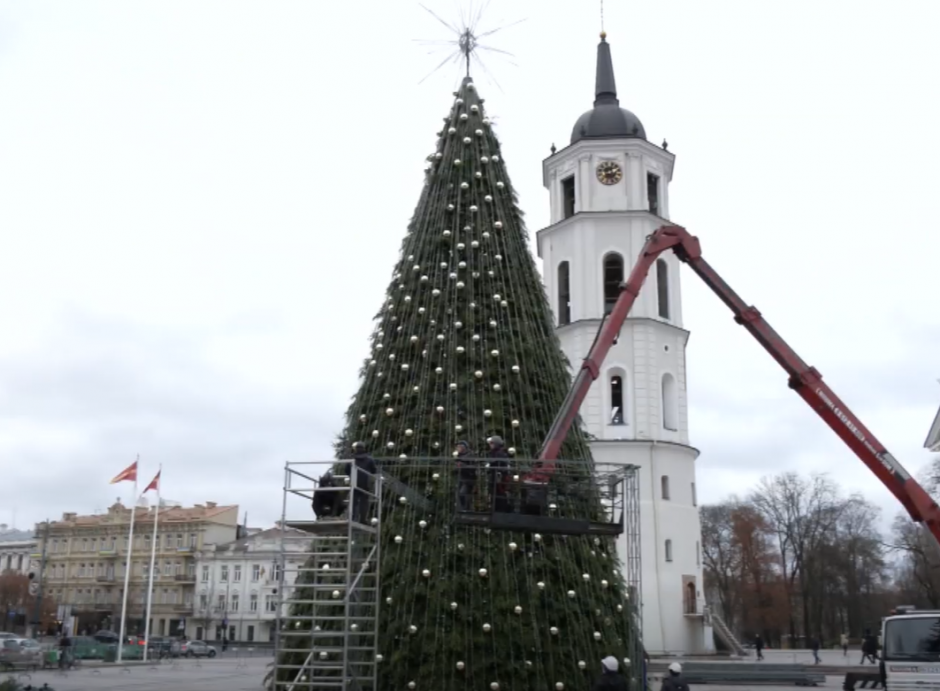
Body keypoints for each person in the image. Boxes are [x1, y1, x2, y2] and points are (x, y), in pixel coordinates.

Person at [344, 441, 377, 524]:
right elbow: (374, 470)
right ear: (364, 449)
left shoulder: (351, 459)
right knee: (364, 502)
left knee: (353, 501)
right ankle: (362, 519)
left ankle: (352, 518)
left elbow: (346, 471)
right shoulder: (369, 459)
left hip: (354, 482)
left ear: (355, 449)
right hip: (365, 483)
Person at [486, 436, 511, 513]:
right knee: (495, 492)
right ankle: (495, 508)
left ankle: (500, 509)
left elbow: (502, 463)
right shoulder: (493, 452)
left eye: (492, 443)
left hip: (499, 476)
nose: (490, 445)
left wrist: (491, 464)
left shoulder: (500, 452)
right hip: (495, 475)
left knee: (499, 493)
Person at [455, 441, 477, 511]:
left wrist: (463, 466)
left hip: (468, 479)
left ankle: (466, 508)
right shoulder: (458, 456)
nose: (457, 448)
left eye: (459, 447)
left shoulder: (470, 455)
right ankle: (463, 508)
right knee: (460, 494)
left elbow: (474, 467)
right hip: (461, 478)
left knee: (463, 493)